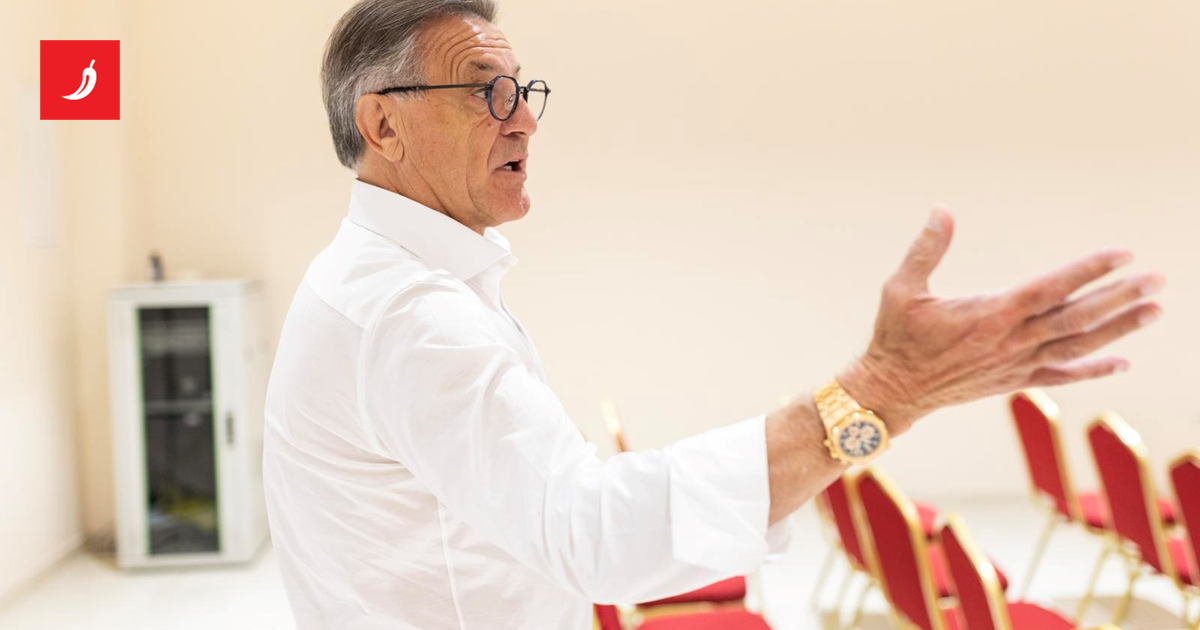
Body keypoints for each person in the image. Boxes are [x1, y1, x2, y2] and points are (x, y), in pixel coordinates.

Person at [261, 0, 1166, 627]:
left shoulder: (377, 281)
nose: (524, 121)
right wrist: (882, 393)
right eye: (486, 93)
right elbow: (593, 535)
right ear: (383, 126)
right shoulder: (409, 316)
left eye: (523, 92)